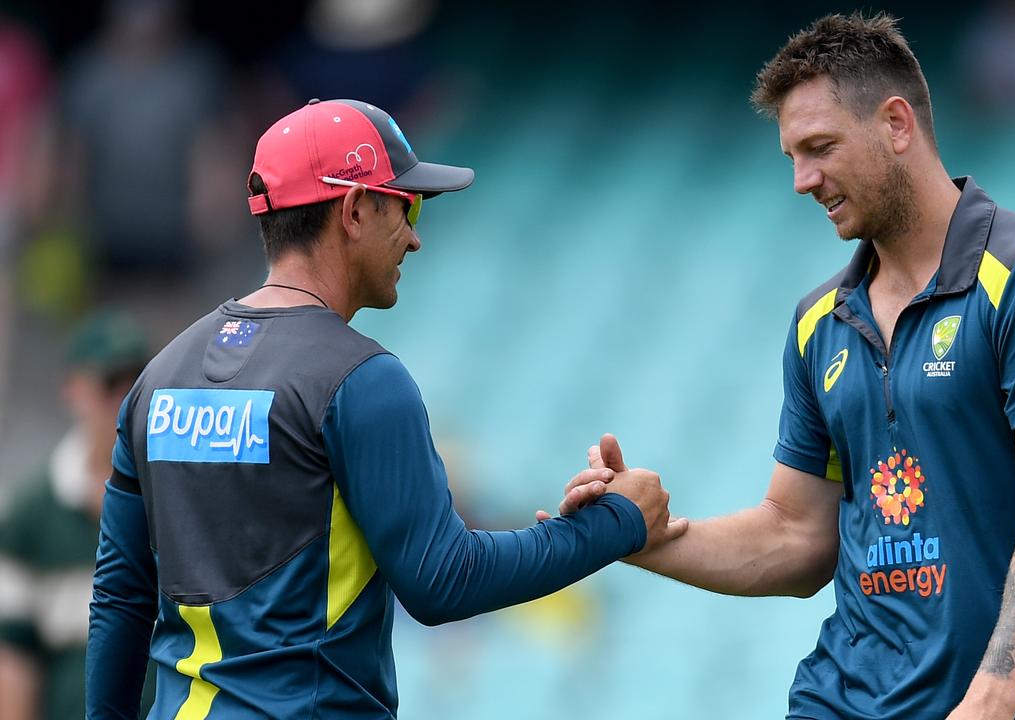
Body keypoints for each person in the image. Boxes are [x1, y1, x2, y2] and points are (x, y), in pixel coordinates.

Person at [557, 12, 1015, 719]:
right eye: (792, 156)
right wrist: (647, 538)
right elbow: (797, 535)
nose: (801, 180)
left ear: (895, 124)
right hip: (845, 698)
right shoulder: (817, 323)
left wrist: (993, 695)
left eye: (819, 148)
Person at [85, 98, 683, 718]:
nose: (416, 237)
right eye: (408, 205)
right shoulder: (361, 378)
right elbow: (444, 580)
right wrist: (616, 522)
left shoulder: (159, 381)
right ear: (354, 210)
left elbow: (121, 597)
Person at [0, 310, 154, 720]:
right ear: (73, 390)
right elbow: (13, 661)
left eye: (138, 386)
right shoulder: (30, 512)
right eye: (110, 384)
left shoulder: (178, 499)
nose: (124, 402)